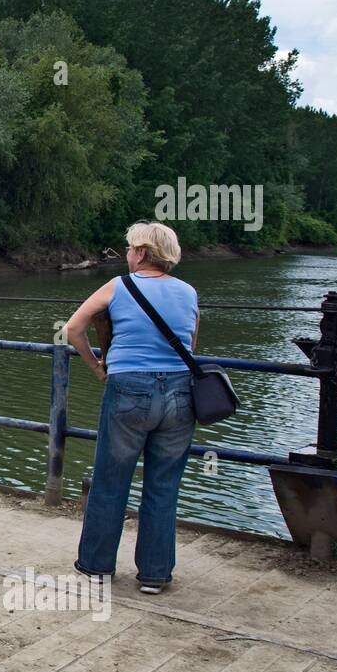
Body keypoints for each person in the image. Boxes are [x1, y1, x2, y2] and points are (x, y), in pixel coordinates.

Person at [63, 221, 199, 595]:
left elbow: (74, 329)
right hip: (180, 394)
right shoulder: (188, 292)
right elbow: (190, 343)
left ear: (141, 253)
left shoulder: (120, 286)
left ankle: (97, 567)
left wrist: (97, 367)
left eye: (129, 249)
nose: (126, 254)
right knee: (163, 484)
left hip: (128, 389)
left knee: (111, 480)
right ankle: (155, 575)